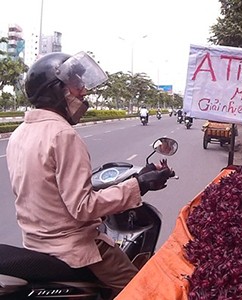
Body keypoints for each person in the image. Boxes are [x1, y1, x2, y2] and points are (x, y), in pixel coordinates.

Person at [5, 52, 174, 298]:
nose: (84, 91)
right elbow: (83, 208)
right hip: (73, 247)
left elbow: (49, 191)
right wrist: (138, 185)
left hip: (35, 242)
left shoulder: (21, 132)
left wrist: (138, 181)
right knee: (146, 292)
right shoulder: (63, 135)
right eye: (76, 85)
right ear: (55, 90)